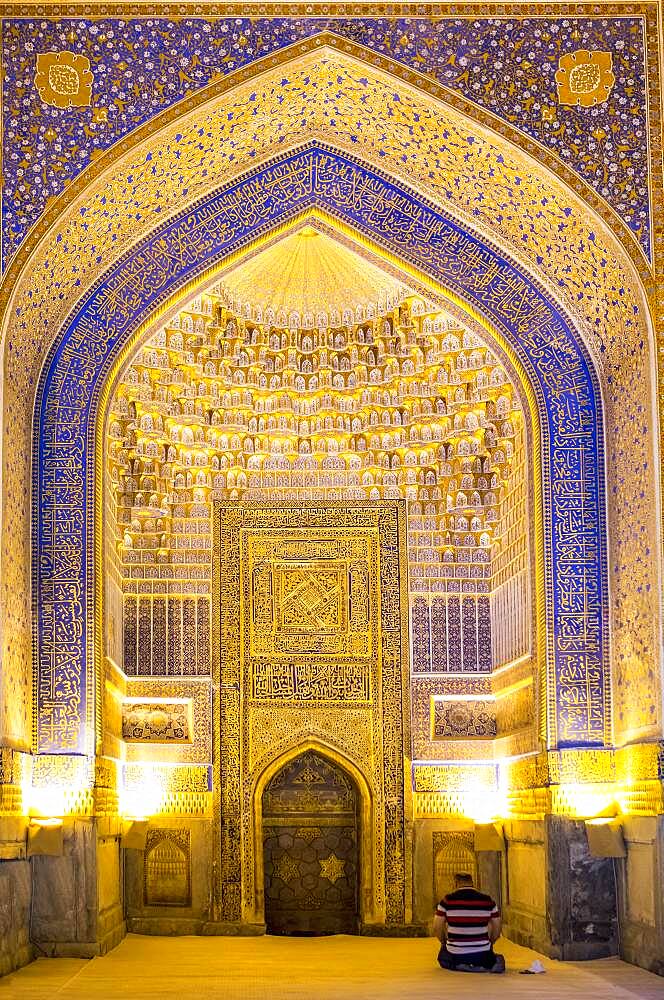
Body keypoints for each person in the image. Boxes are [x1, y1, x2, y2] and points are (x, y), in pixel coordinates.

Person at [433, 872, 505, 973]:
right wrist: (490, 942)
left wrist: (444, 942)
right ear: (472, 882)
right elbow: (497, 927)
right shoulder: (487, 901)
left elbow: (437, 927)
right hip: (481, 954)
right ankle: (484, 964)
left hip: (455, 955)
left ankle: (459, 966)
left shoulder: (447, 901)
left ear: (455, 883)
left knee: (443, 959)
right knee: (492, 957)